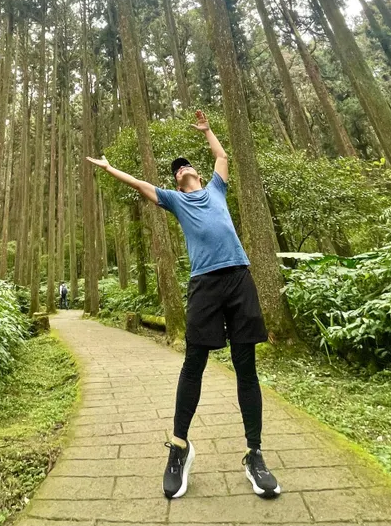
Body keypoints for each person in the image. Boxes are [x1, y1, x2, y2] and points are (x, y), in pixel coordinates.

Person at [87, 108, 280, 502]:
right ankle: (179, 448)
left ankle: (254, 454)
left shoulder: (216, 190)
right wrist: (110, 169)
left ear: (195, 170)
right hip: (204, 285)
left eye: (184, 166)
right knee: (194, 364)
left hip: (240, 278)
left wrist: (208, 131)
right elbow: (142, 185)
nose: (180, 170)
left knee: (247, 368)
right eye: (175, 170)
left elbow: (223, 159)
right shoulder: (175, 200)